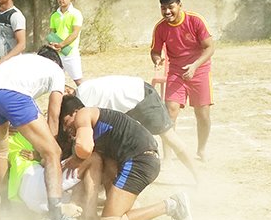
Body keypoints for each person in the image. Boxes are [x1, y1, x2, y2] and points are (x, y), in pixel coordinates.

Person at [0, 45, 83, 220]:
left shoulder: (25, 60)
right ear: (58, 64)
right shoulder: (56, 71)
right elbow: (53, 114)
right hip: (13, 94)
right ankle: (56, 218)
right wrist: (49, 149)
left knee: (0, 151)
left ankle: (5, 208)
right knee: (53, 152)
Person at [60, 95, 192, 220]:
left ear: (75, 112)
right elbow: (106, 170)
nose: (67, 129)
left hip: (139, 160)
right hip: (142, 158)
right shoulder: (102, 130)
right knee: (114, 193)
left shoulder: (83, 114)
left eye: (66, 122)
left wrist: (77, 158)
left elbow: (85, 149)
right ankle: (129, 208)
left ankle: (172, 205)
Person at [71, 75, 200, 184]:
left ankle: (198, 176)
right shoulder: (82, 92)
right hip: (129, 101)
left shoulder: (81, 102)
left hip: (140, 97)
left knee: (169, 136)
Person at [149, 0, 216, 161]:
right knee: (169, 112)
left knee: (202, 114)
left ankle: (201, 150)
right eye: (163, 8)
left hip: (199, 70)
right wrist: (157, 60)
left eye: (170, 7)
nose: (167, 12)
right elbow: (155, 51)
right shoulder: (160, 27)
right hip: (176, 73)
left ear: (180, 5)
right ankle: (168, 157)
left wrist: (194, 66)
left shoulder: (195, 20)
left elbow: (210, 47)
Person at [48, 0, 85, 85]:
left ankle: (85, 95)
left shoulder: (76, 14)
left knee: (78, 81)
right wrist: (52, 45)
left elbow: (75, 33)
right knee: (56, 82)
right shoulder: (54, 16)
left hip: (70, 53)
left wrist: (62, 45)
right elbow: (52, 33)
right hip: (57, 54)